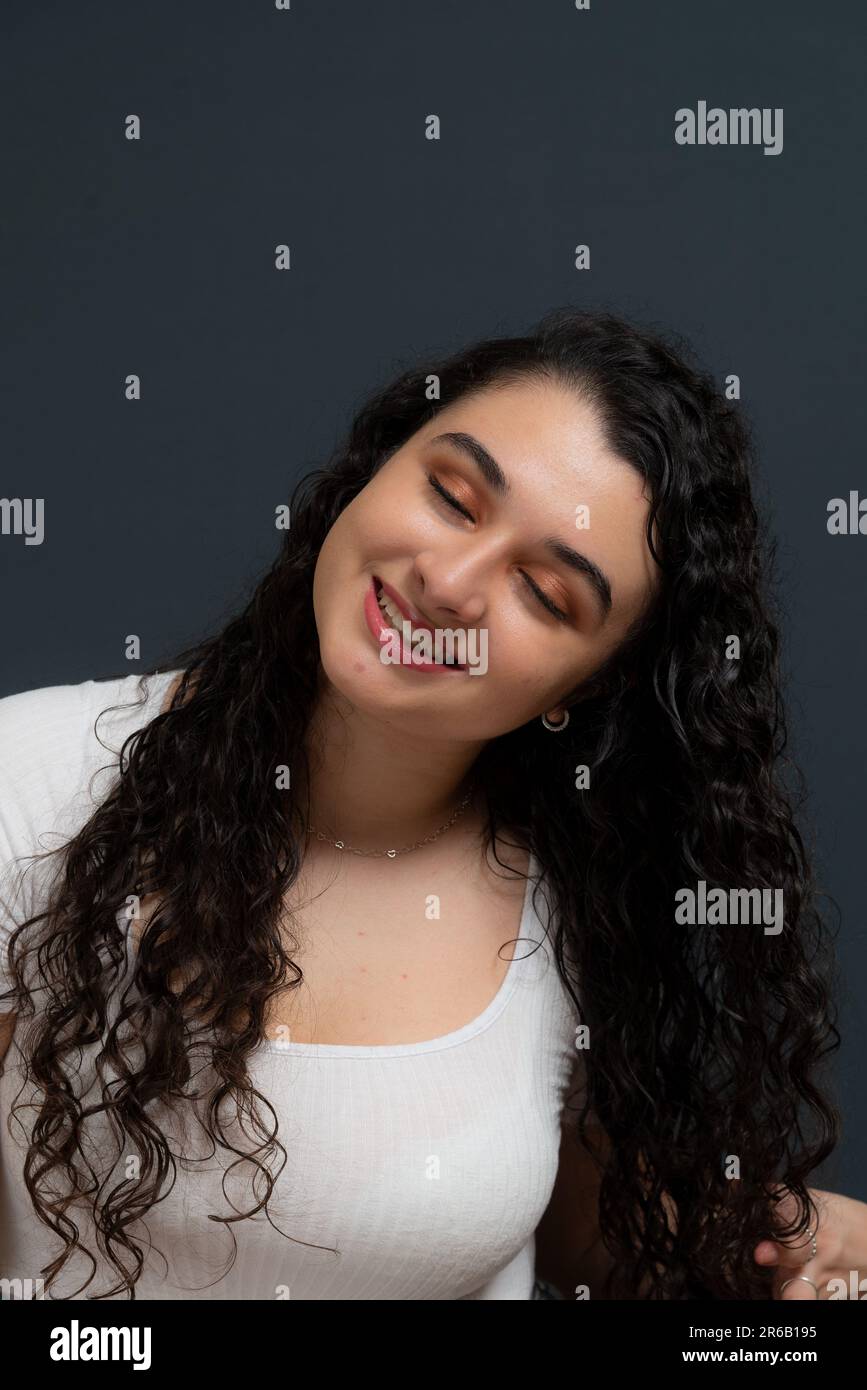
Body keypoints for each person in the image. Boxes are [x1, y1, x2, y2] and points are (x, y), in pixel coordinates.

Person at [0, 307, 863, 1300]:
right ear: (375, 466)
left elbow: (588, 1240)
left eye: (546, 594)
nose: (449, 583)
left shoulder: (578, 895)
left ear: (584, 686)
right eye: (452, 496)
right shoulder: (34, 782)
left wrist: (766, 1244)